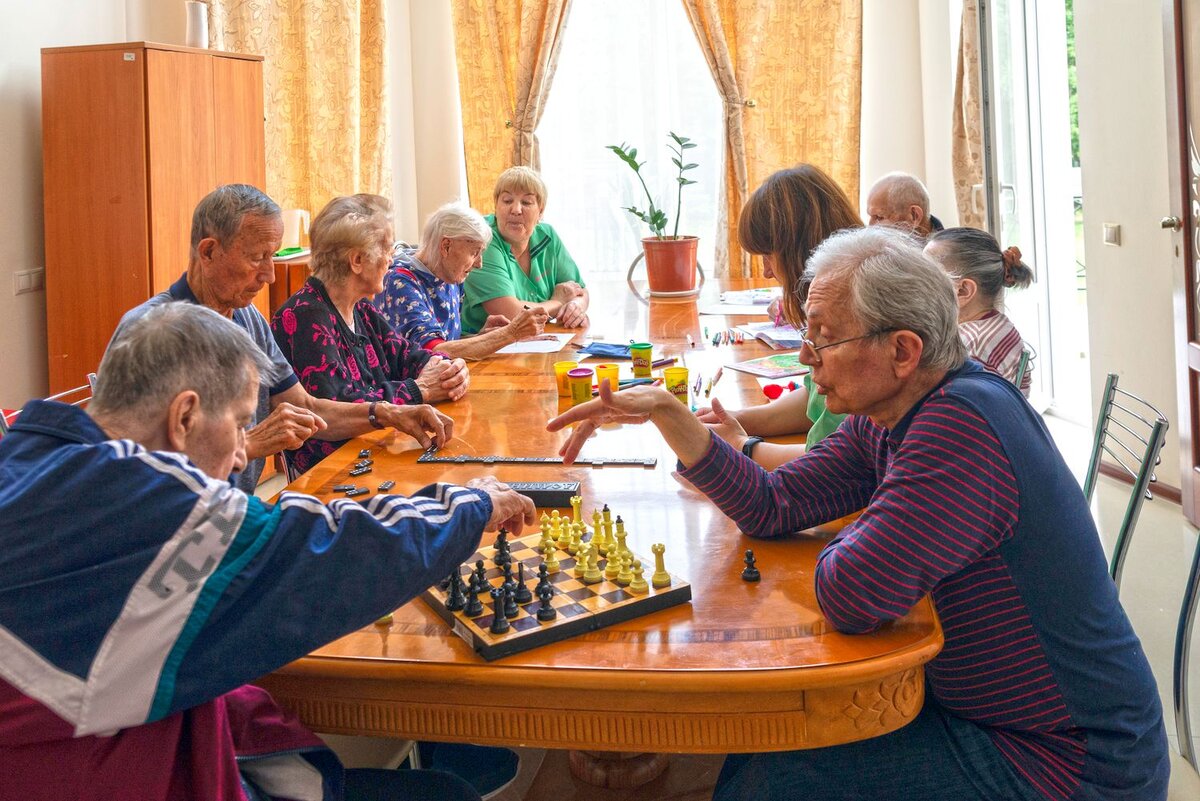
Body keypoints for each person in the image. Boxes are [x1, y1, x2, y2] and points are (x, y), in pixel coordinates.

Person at [548, 226, 1168, 801]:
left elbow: (852, 593)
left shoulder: (961, 424)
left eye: (823, 337)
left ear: (902, 349)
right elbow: (775, 504)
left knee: (771, 778)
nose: (805, 357)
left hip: (1065, 760)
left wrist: (870, 531)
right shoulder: (897, 408)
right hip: (992, 714)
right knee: (762, 747)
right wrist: (672, 416)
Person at [0, 302, 537, 801]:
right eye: (238, 424)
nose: (241, 455)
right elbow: (330, 555)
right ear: (184, 416)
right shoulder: (144, 501)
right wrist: (470, 505)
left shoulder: (27, 453)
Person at [111, 184, 451, 493]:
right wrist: (247, 444)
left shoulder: (248, 320)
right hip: (175, 527)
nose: (270, 275)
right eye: (258, 257)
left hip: (232, 505)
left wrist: (388, 413)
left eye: (273, 255)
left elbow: (307, 408)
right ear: (209, 251)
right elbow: (134, 471)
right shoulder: (148, 331)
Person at [271, 194, 470, 475]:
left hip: (381, 451)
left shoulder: (360, 306)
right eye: (387, 248)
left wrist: (446, 369)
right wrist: (419, 389)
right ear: (357, 260)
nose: (392, 259)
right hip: (334, 475)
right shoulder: (305, 317)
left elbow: (405, 354)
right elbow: (338, 410)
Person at [694, 165, 861, 468]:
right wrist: (735, 419)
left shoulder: (851, 321)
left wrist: (744, 447)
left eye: (769, 256)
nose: (767, 271)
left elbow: (830, 464)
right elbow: (814, 400)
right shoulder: (841, 304)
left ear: (801, 248)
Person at [374, 202, 550, 359]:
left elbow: (448, 343)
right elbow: (433, 352)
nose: (479, 264)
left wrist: (481, 338)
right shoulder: (400, 283)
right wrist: (510, 333)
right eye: (474, 253)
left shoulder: (450, 276)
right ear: (446, 246)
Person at [461, 166, 589, 333]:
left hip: (542, 338)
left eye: (526, 202)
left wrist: (574, 306)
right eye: (507, 201)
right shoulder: (483, 239)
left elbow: (580, 291)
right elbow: (512, 313)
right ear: (496, 205)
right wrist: (558, 302)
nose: (516, 210)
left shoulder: (547, 235)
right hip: (485, 347)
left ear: (540, 210)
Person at [925, 227, 1036, 396]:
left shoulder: (967, 347)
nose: (916, 282)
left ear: (963, 291)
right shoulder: (999, 325)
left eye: (926, 275)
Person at [865, 171, 944, 239]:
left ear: (914, 216)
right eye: (871, 216)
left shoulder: (951, 254)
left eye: (879, 217)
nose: (870, 227)